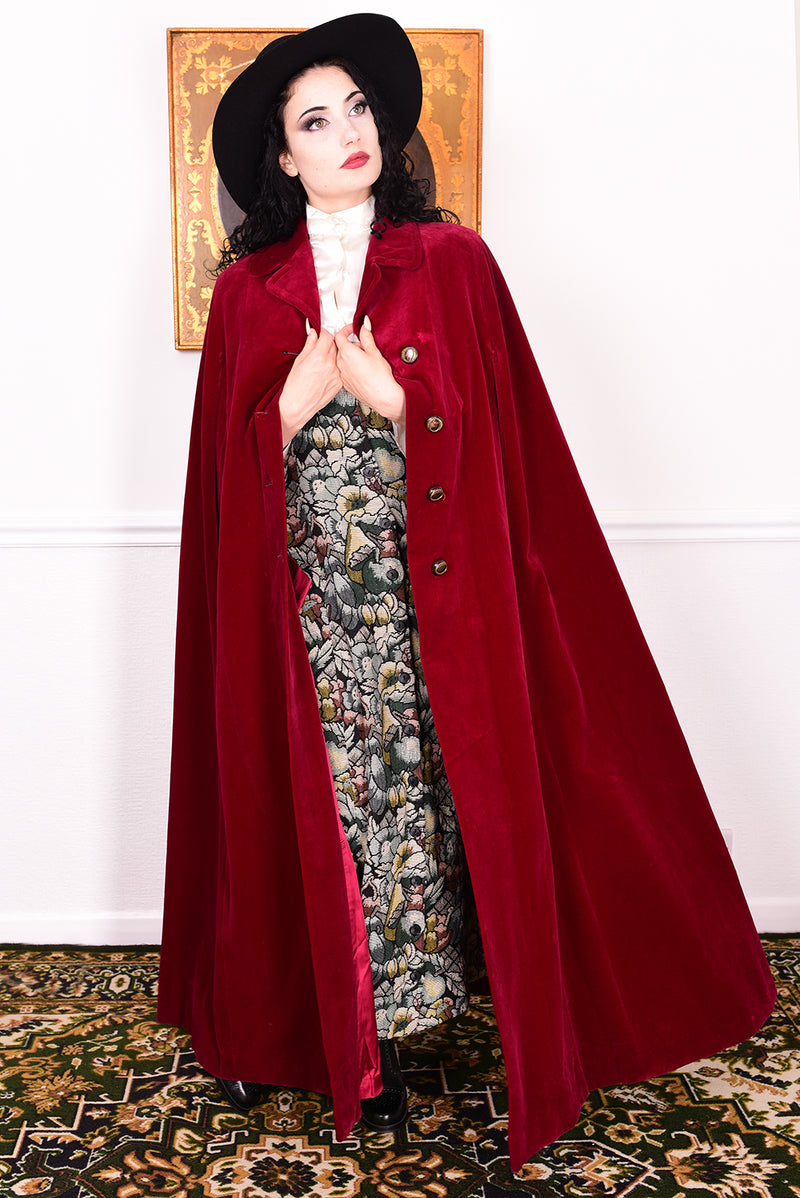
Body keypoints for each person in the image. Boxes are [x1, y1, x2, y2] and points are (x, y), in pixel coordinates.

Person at [157, 14, 776, 1172]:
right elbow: (220, 493)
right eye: (313, 120)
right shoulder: (250, 296)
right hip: (306, 617)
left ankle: (414, 1021)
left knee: (424, 812)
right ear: (280, 160)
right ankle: (340, 1044)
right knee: (323, 818)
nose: (347, 133)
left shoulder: (454, 264)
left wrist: (397, 403)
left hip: (434, 607)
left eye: (357, 110)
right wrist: (287, 408)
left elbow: (504, 443)